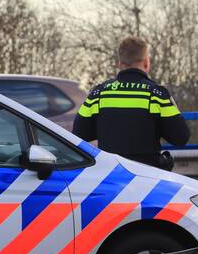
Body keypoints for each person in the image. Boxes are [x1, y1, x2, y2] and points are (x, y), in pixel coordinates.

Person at [74, 36, 190, 168]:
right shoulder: (156, 94)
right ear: (146, 63)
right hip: (147, 177)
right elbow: (181, 137)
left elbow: (78, 135)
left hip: (110, 176)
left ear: (119, 64)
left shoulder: (98, 94)